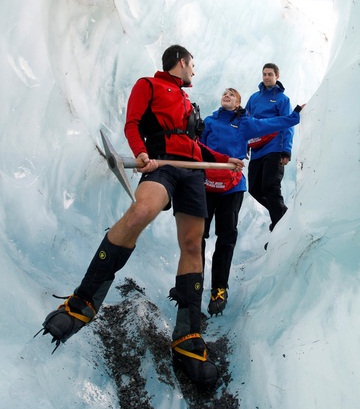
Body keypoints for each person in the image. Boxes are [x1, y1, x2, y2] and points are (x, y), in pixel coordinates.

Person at [39, 45, 243, 385]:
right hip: (161, 165)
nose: (193, 70)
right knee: (141, 211)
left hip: (192, 172)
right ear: (181, 61)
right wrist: (141, 153)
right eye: (192, 64)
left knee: (193, 244)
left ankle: (188, 335)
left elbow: (195, 147)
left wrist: (224, 160)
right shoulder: (148, 85)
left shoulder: (188, 103)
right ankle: (84, 300)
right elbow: (133, 123)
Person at [199, 88, 304, 315]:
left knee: (226, 238)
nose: (226, 95)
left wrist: (294, 115)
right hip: (206, 185)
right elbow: (197, 148)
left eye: (232, 94)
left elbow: (273, 124)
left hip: (232, 187)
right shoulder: (209, 121)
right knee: (198, 235)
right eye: (224, 93)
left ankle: (219, 289)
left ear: (238, 103)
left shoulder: (245, 123)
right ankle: (192, 284)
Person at [245, 63, 296, 233]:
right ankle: (283, 216)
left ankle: (280, 226)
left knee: (270, 186)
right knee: (254, 188)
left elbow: (288, 125)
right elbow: (246, 122)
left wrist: (286, 150)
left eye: (270, 74)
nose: (266, 77)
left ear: (277, 76)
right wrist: (243, 144)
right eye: (264, 74)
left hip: (274, 147)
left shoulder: (282, 99)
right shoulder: (254, 98)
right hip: (257, 149)